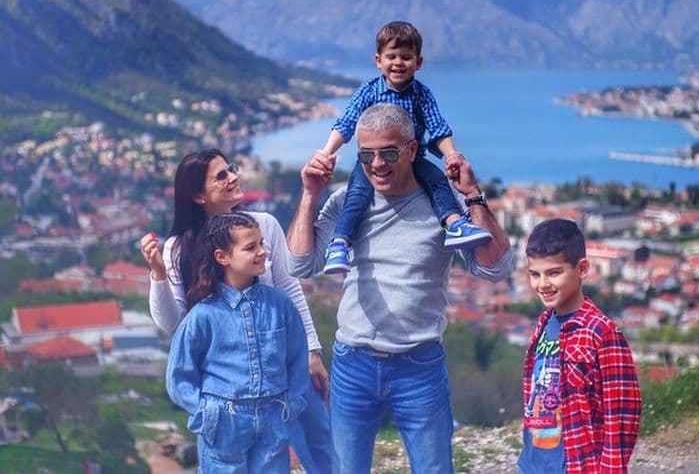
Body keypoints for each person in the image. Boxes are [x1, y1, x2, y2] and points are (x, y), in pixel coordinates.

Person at [286, 103, 513, 473]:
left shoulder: (443, 204)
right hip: (353, 362)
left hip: (419, 366)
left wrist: (472, 195)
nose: (377, 164)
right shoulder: (348, 202)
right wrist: (310, 194)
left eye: (389, 153)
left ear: (412, 150)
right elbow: (300, 264)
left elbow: (496, 268)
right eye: (366, 155)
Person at [139, 149, 332, 473]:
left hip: (283, 362)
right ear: (198, 195)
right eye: (221, 176)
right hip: (230, 384)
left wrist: (312, 351)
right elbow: (173, 322)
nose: (233, 177)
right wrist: (158, 274)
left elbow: (289, 289)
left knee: (320, 443)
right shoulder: (179, 247)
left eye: (230, 169)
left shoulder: (264, 225)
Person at [318, 20, 491, 275]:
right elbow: (347, 123)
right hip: (373, 159)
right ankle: (339, 243)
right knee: (357, 194)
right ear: (378, 61)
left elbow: (437, 126)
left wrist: (452, 155)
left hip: (412, 157)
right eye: (392, 56)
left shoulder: (422, 94)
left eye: (406, 57)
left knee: (437, 182)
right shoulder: (369, 91)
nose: (398, 62)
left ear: (418, 62)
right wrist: (326, 152)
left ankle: (454, 225)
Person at [166, 212, 309, 472]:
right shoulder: (202, 316)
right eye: (250, 247)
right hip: (224, 424)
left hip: (274, 419)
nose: (262, 252)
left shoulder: (281, 306)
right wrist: (205, 414)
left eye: (261, 243)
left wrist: (293, 404)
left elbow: (298, 359)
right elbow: (179, 376)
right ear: (223, 257)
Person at [518, 219, 642, 474]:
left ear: (582, 269)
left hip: (578, 465)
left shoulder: (602, 333)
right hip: (534, 464)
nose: (543, 284)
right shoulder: (543, 324)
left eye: (554, 273)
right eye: (535, 274)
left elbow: (622, 414)